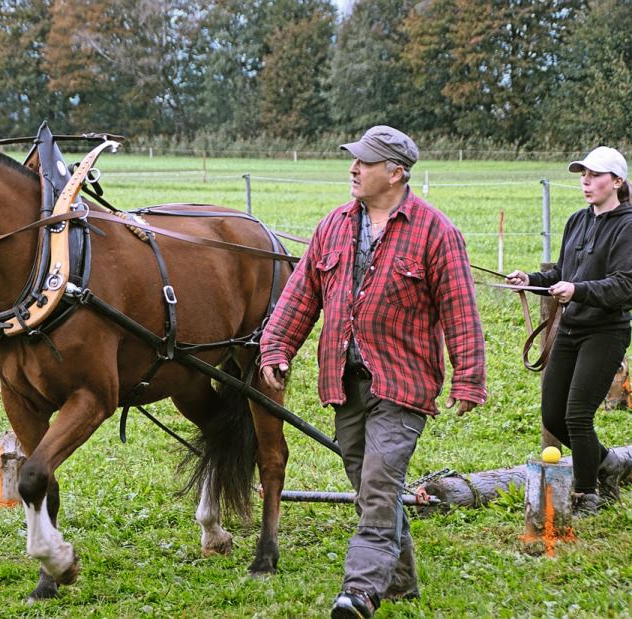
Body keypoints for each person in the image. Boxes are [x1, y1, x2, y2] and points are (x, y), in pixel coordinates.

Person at [259, 125, 487, 618]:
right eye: (354, 160)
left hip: (402, 383)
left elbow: (461, 311)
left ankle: (360, 591)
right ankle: (401, 582)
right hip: (344, 383)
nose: (354, 168)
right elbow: (302, 295)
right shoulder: (334, 225)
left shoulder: (436, 231)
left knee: (380, 485)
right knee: (368, 487)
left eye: (364, 161)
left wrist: (469, 378)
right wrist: (276, 346)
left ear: (395, 172)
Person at [506, 146, 632, 516]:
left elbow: (625, 285)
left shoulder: (628, 225)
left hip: (606, 332)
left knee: (577, 415)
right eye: (582, 175)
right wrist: (531, 280)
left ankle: (586, 494)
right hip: (571, 329)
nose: (586, 181)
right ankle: (608, 464)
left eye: (594, 175)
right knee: (553, 416)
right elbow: (563, 272)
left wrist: (578, 290)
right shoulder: (577, 220)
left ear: (617, 181)